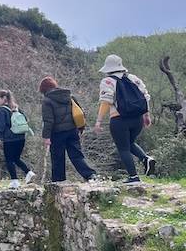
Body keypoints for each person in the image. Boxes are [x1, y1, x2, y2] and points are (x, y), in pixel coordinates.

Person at [92, 54, 155, 183]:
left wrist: (98, 121)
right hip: (137, 119)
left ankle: (133, 177)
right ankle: (146, 159)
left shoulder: (108, 81)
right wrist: (146, 116)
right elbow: (145, 97)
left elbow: (106, 101)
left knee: (123, 148)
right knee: (129, 143)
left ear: (108, 68)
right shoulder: (134, 78)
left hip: (119, 120)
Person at [40, 77, 97, 182]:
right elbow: (79, 112)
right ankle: (90, 175)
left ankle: (59, 180)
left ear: (44, 90)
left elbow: (48, 121)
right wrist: (81, 127)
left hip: (57, 133)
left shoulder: (47, 101)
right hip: (72, 130)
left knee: (57, 158)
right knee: (77, 155)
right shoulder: (69, 96)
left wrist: (46, 137)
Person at [0, 90, 36, 188]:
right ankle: (29, 172)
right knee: (16, 158)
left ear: (3, 98)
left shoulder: (2, 110)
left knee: (9, 160)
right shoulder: (17, 108)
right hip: (21, 137)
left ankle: (14, 181)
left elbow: (1, 126)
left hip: (9, 139)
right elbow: (25, 120)